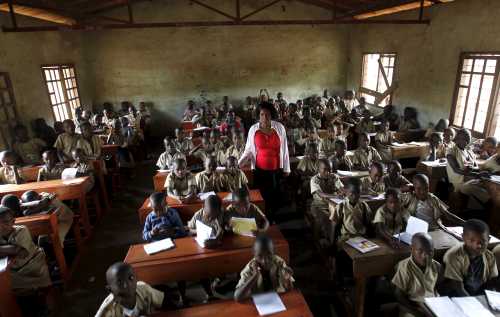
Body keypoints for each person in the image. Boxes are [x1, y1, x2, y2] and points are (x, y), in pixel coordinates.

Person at [239, 102, 290, 221]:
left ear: (272, 115)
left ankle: (272, 217)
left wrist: (287, 168)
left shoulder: (279, 127)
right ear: (258, 115)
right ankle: (263, 217)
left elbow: (285, 149)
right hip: (259, 169)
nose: (265, 117)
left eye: (267, 115)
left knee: (275, 195)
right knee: (262, 195)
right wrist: (239, 163)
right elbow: (248, 150)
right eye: (262, 114)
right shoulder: (253, 129)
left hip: (276, 169)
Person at [0, 206, 52, 295]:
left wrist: (5, 249)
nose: (1, 226)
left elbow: (20, 251)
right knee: (4, 284)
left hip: (32, 266)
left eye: (5, 222)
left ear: (13, 221)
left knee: (7, 286)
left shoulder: (22, 230)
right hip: (13, 270)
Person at [442, 219, 498, 296]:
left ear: (488, 240)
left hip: (477, 293)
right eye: (472, 240)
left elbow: (491, 282)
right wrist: (473, 303)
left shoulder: (489, 256)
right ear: (463, 238)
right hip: (456, 294)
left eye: (483, 241)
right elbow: (458, 287)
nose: (478, 246)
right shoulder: (454, 255)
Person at [392, 233, 440, 317]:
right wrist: (418, 313)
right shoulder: (404, 267)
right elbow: (399, 296)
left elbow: (437, 287)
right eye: (420, 251)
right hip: (412, 306)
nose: (425, 255)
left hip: (433, 304)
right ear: (411, 249)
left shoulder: (436, 266)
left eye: (430, 252)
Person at [234, 235, 294, 301]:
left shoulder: (279, 263)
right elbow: (237, 297)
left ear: (274, 252)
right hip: (257, 303)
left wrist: (287, 279)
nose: (265, 261)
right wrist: (255, 276)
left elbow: (289, 290)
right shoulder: (250, 268)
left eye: (269, 255)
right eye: (260, 256)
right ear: (253, 253)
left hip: (277, 301)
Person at [95, 262, 166, 317]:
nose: (127, 284)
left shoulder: (144, 289)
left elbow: (165, 302)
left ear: (136, 279)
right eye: (120, 282)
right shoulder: (108, 308)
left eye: (131, 278)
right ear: (110, 290)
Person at [447, 128, 490, 207]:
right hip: (459, 182)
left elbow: (474, 167)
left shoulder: (468, 151)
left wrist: (480, 172)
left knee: (489, 186)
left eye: (467, 139)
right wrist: (477, 175)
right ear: (457, 138)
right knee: (484, 194)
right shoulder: (451, 151)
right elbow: (456, 170)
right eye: (463, 139)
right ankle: (490, 207)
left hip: (470, 179)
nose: (466, 141)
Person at [309, 159, 344, 246]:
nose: (328, 172)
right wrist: (335, 196)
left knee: (340, 218)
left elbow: (341, 188)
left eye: (330, 169)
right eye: (325, 169)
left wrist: (342, 191)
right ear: (318, 169)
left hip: (333, 204)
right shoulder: (314, 180)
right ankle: (316, 239)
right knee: (322, 219)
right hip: (319, 205)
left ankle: (334, 240)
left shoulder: (334, 177)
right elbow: (321, 194)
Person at [329, 178, 372, 246]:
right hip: (346, 239)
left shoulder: (364, 206)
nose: (355, 197)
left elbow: (369, 224)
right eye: (352, 194)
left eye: (358, 193)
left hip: (361, 238)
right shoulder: (341, 206)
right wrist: (332, 245)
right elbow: (334, 227)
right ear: (346, 192)